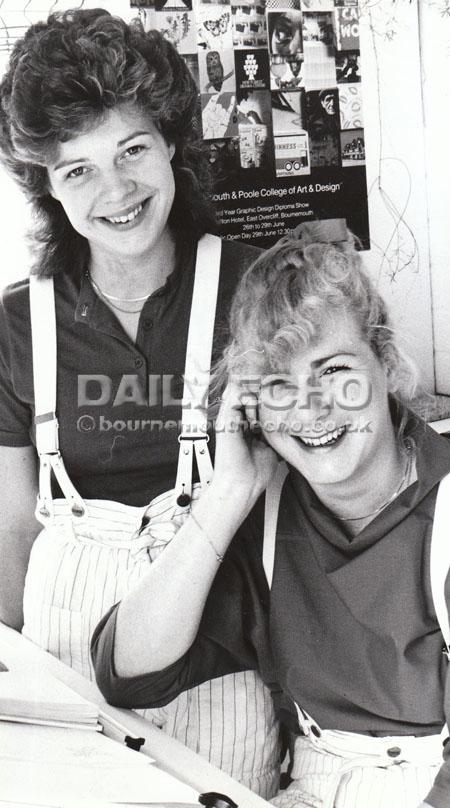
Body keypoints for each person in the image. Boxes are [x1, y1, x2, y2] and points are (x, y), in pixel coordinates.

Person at [0, 8, 281, 797]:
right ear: (47, 187)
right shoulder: (16, 325)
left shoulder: (258, 290)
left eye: (132, 150)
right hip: (64, 674)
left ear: (171, 146)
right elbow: (13, 526)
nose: (116, 190)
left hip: (218, 665)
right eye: (77, 169)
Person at [92, 232, 450, 808]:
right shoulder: (271, 518)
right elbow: (127, 672)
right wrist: (229, 491)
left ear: (383, 362)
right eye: (278, 384)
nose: (310, 408)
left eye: (333, 370)